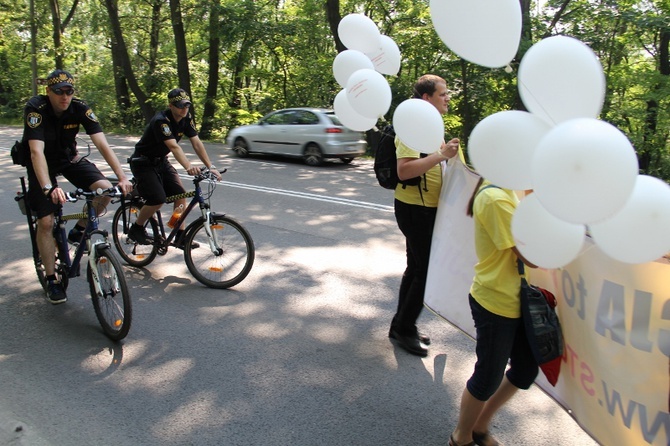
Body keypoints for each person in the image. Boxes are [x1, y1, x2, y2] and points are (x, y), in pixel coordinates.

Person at [22, 69, 133, 304]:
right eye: (58, 91)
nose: (64, 96)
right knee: (46, 221)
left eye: (69, 91)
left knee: (104, 191)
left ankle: (78, 229)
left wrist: (122, 177)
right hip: (41, 164)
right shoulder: (36, 109)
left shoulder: (80, 108)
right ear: (48, 92)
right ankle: (52, 280)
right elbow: (35, 151)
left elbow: (102, 144)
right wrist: (47, 187)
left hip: (68, 158)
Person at [448, 180, 538, 446]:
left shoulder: (507, 187)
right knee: (487, 378)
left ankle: (479, 426)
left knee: (525, 370)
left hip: (516, 298)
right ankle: (460, 437)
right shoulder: (495, 199)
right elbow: (531, 254)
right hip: (496, 302)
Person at [389, 74, 461, 357]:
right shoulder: (411, 126)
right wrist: (441, 155)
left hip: (427, 208)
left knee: (415, 268)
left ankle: (401, 325)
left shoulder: (432, 125)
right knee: (424, 270)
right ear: (426, 98)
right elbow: (404, 170)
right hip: (414, 209)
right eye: (442, 94)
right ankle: (404, 329)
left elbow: (436, 165)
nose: (447, 98)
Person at [127, 88, 222, 248]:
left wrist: (210, 166)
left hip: (161, 162)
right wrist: (189, 166)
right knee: (157, 199)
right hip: (142, 163)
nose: (184, 109)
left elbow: (197, 143)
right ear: (171, 105)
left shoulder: (186, 118)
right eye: (180, 106)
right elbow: (173, 146)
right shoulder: (161, 120)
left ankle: (179, 235)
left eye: (186, 105)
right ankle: (136, 228)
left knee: (180, 195)